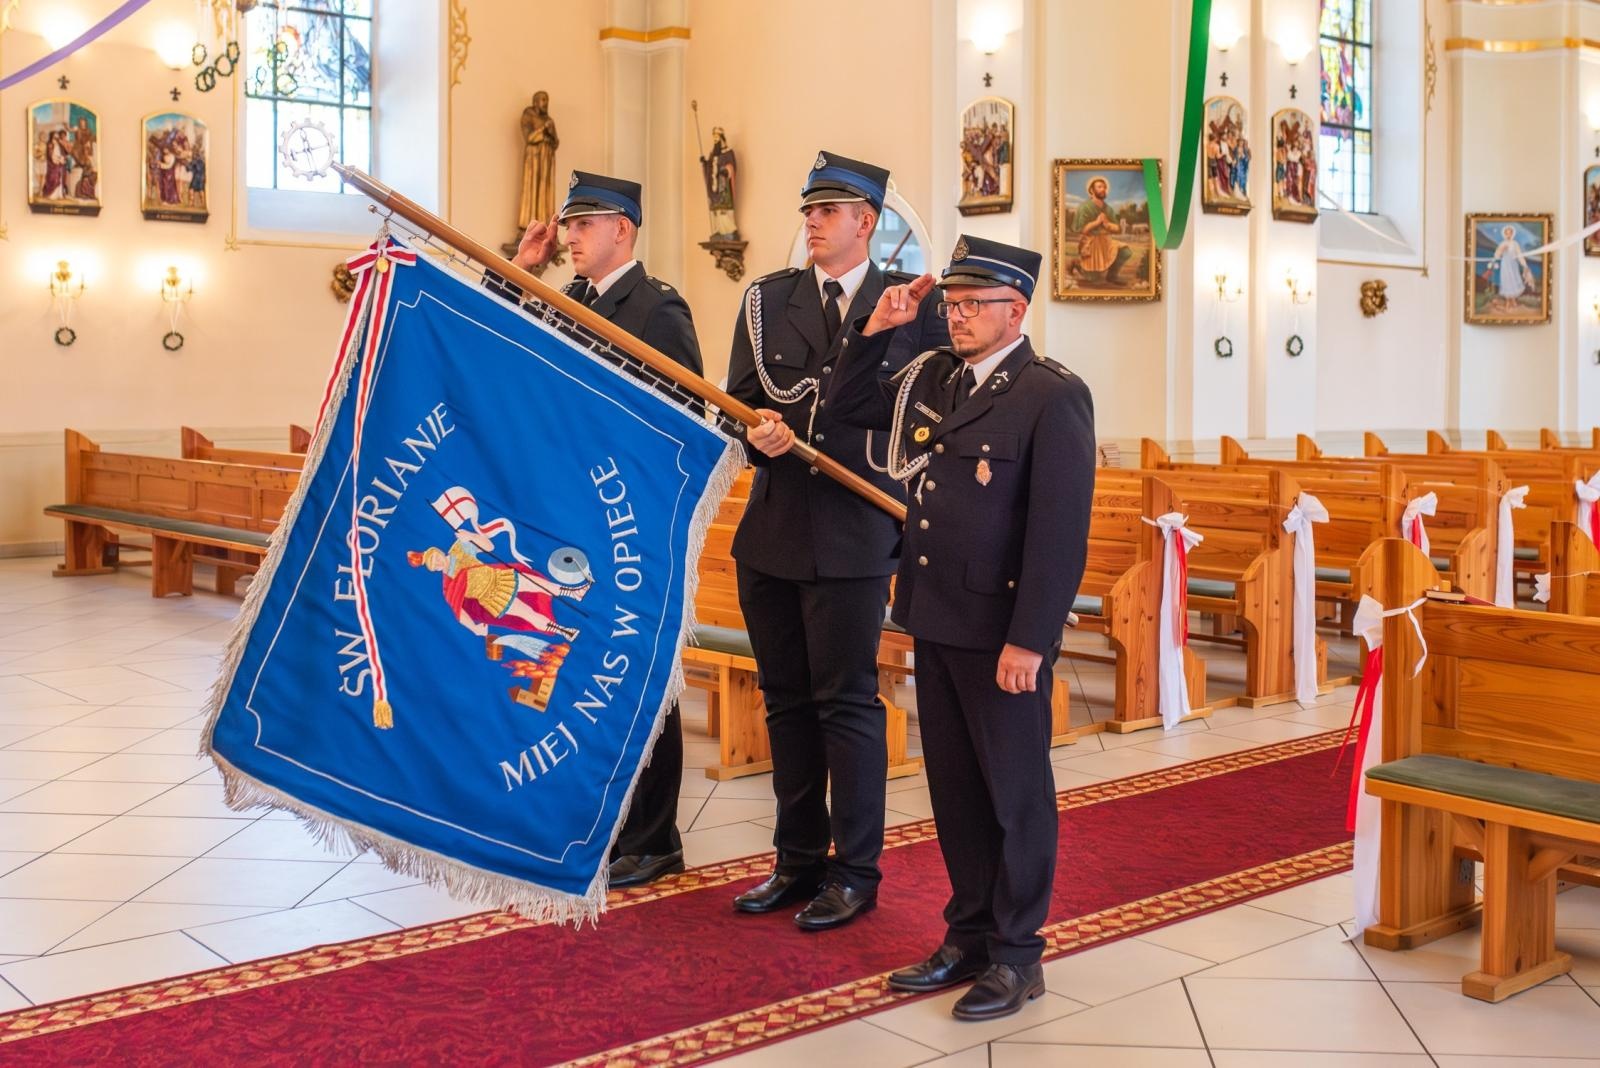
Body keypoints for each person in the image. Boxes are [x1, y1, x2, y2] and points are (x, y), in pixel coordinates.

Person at [823, 234, 1095, 1020]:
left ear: (1018, 310)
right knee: (956, 794)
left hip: (1001, 631)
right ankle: (968, 935)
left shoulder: (1049, 394)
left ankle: (1018, 955)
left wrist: (1030, 641)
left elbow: (1056, 534)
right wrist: (875, 330)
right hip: (935, 619)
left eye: (975, 304)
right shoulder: (936, 376)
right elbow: (845, 411)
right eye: (954, 302)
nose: (958, 314)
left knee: (1014, 796)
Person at [729, 150, 947, 931]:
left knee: (846, 706)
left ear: (867, 221)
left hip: (856, 536)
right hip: (774, 531)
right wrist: (761, 437)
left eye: (830, 210)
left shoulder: (916, 306)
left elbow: (921, 423)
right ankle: (796, 862)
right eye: (808, 210)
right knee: (784, 705)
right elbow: (739, 406)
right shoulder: (767, 300)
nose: (813, 222)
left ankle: (855, 873)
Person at [486, 170, 704, 888]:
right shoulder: (566, 298)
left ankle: (654, 835)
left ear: (623, 230)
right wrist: (523, 267)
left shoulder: (658, 310)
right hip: (568, 517)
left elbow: (684, 426)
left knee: (640, 674)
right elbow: (500, 341)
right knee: (582, 669)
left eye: (585, 225)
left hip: (631, 523)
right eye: (568, 225)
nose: (571, 236)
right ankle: (597, 816)